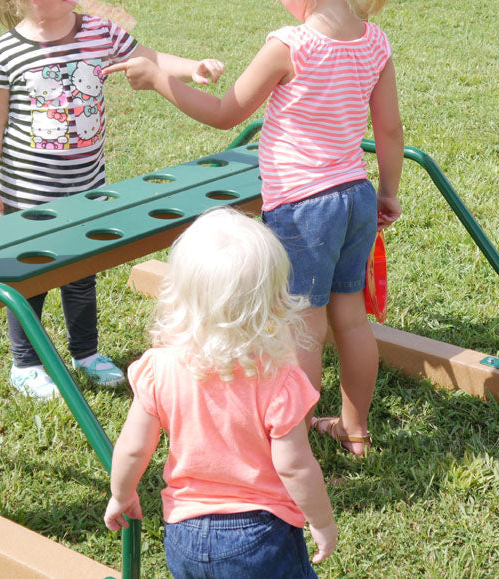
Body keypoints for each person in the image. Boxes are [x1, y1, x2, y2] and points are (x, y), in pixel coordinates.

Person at [105, 0, 404, 455]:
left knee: (305, 327)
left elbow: (225, 112)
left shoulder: (290, 45)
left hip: (304, 206)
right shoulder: (373, 41)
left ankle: (298, 447)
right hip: (356, 196)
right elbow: (388, 129)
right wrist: (388, 191)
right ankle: (356, 429)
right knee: (352, 319)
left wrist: (160, 80)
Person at [0, 0, 224, 400]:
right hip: (28, 193)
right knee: (30, 275)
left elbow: (149, 56)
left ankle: (86, 353)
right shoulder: (4, 53)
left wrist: (194, 68)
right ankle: (25, 363)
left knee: (81, 271)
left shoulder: (97, 32)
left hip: (87, 185)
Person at [104, 208, 337, 577]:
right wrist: (322, 521)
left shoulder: (158, 368)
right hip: (262, 534)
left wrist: (121, 494)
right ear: (275, 302)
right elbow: (294, 466)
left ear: (178, 296)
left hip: (184, 532)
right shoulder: (280, 380)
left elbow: (133, 447)